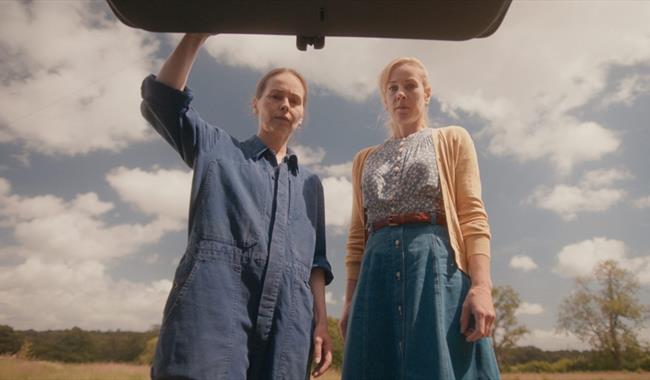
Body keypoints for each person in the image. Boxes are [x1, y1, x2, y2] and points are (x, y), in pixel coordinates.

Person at [140, 33, 333, 380]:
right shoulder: (216, 148)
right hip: (213, 301)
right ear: (255, 104)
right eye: (275, 96)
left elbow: (316, 262)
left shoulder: (310, 184)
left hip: (290, 320)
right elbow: (163, 99)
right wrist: (197, 34)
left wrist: (321, 322)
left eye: (294, 100)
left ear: (302, 115)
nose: (285, 105)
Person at [339, 57, 501, 379]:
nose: (401, 94)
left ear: (426, 93)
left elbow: (472, 215)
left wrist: (482, 286)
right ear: (385, 99)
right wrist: (350, 301)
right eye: (393, 88)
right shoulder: (363, 160)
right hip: (376, 275)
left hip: (435, 267)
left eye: (410, 85)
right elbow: (358, 236)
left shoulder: (452, 138)